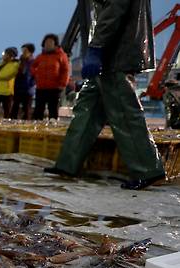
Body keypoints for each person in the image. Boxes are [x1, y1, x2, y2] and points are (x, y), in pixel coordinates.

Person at [46, 0, 166, 190]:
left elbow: (114, 9)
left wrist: (97, 47)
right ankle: (67, 164)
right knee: (87, 109)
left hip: (115, 53)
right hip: (108, 54)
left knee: (124, 112)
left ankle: (147, 169)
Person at [31, 34, 70, 120]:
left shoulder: (61, 55)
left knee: (53, 110)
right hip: (41, 87)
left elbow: (65, 70)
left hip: (55, 88)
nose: (48, 44)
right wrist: (36, 74)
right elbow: (32, 66)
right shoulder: (40, 56)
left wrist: (63, 83)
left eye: (50, 42)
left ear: (55, 44)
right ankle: (36, 128)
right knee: (38, 110)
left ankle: (53, 127)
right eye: (46, 42)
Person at [10, 43, 36, 120]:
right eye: (22, 51)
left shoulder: (33, 62)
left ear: (30, 52)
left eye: (25, 51)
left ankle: (26, 127)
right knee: (14, 109)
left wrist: (30, 84)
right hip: (18, 88)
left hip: (28, 90)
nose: (23, 52)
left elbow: (35, 76)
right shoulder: (19, 61)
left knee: (26, 110)